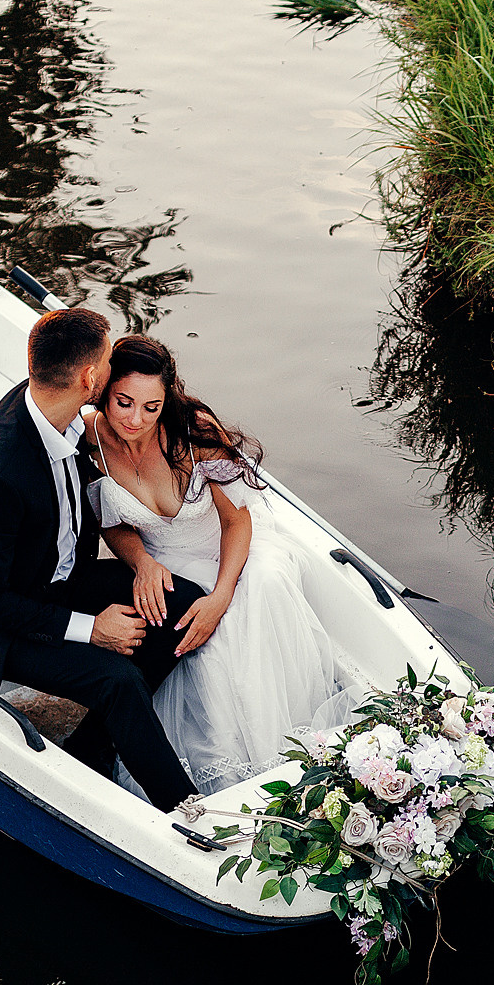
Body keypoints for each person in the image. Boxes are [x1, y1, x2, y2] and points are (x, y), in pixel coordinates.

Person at [0, 308, 203, 811]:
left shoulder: (51, 404)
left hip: (52, 580)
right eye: (107, 358)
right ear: (89, 377)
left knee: (178, 601)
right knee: (116, 680)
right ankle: (186, 811)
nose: (113, 363)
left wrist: (141, 563)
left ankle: (92, 750)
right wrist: (91, 629)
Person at [83, 334, 361, 795]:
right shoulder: (90, 436)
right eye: (124, 403)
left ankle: (283, 757)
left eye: (151, 408)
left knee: (256, 597)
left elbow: (237, 522)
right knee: (194, 643)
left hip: (232, 551)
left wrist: (222, 595)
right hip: (169, 563)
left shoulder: (194, 430)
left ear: (166, 398)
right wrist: (142, 563)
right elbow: (110, 519)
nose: (135, 420)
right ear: (106, 390)